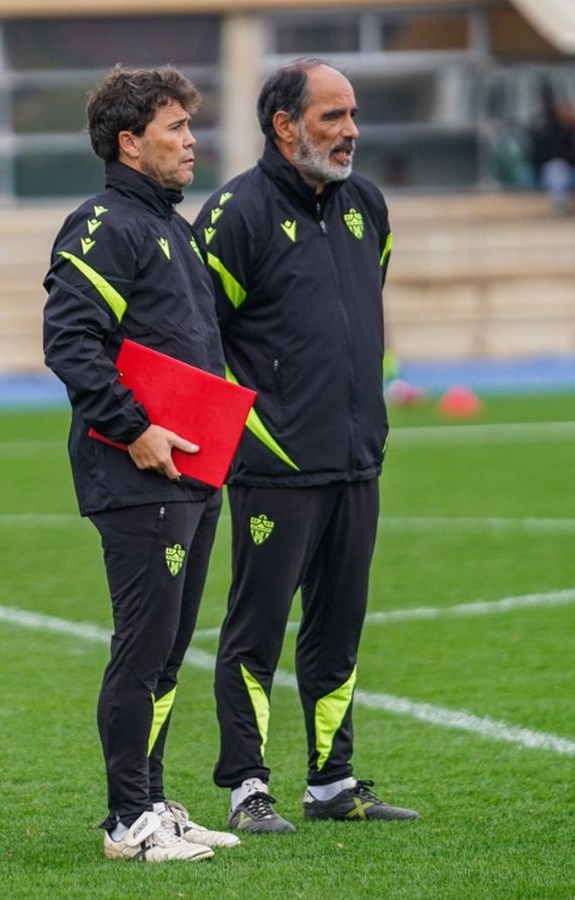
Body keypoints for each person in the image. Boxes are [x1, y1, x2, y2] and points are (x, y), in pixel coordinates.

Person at [193, 58, 419, 834]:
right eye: (332, 117)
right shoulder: (234, 215)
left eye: (352, 115)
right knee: (253, 632)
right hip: (274, 471)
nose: (351, 131)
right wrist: (252, 436)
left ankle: (333, 782)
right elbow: (196, 339)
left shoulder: (368, 206)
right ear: (285, 125)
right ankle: (247, 789)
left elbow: (362, 310)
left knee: (338, 628)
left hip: (358, 463)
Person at [41, 65, 240, 863]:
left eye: (191, 128)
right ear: (130, 142)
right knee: (142, 643)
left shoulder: (172, 226)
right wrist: (135, 430)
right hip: (138, 473)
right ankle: (128, 820)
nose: (192, 142)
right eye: (175, 129)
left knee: (167, 648)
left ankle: (154, 799)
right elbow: (69, 343)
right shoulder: (101, 225)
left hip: (193, 471)